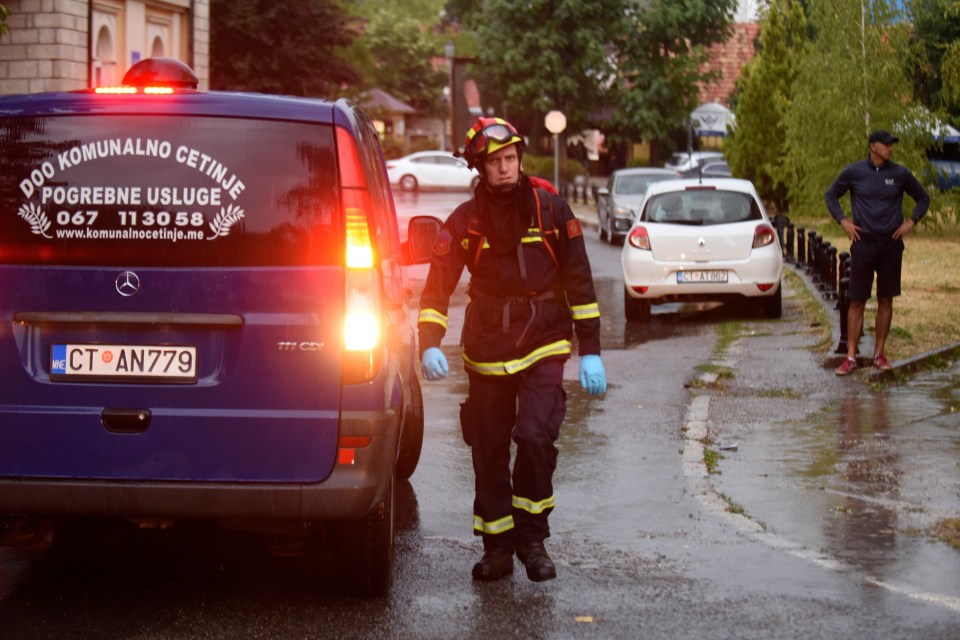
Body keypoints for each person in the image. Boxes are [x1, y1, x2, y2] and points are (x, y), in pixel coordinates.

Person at [418, 117, 606, 582]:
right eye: (495, 162)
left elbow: (579, 280)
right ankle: (497, 546)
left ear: (518, 159)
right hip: (486, 345)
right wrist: (428, 342)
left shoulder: (551, 211)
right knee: (488, 447)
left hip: (544, 338)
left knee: (537, 435)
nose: (505, 168)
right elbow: (437, 285)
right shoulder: (465, 222)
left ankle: (532, 538)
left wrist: (592, 349)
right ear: (480, 168)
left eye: (510, 158)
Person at [825, 129, 930, 376]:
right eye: (886, 144)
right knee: (857, 299)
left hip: (891, 245)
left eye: (892, 145)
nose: (890, 148)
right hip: (863, 243)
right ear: (873, 146)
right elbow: (831, 195)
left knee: (886, 298)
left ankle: (879, 354)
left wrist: (910, 222)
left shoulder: (900, 173)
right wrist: (843, 221)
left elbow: (923, 198)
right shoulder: (854, 172)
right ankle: (850, 356)